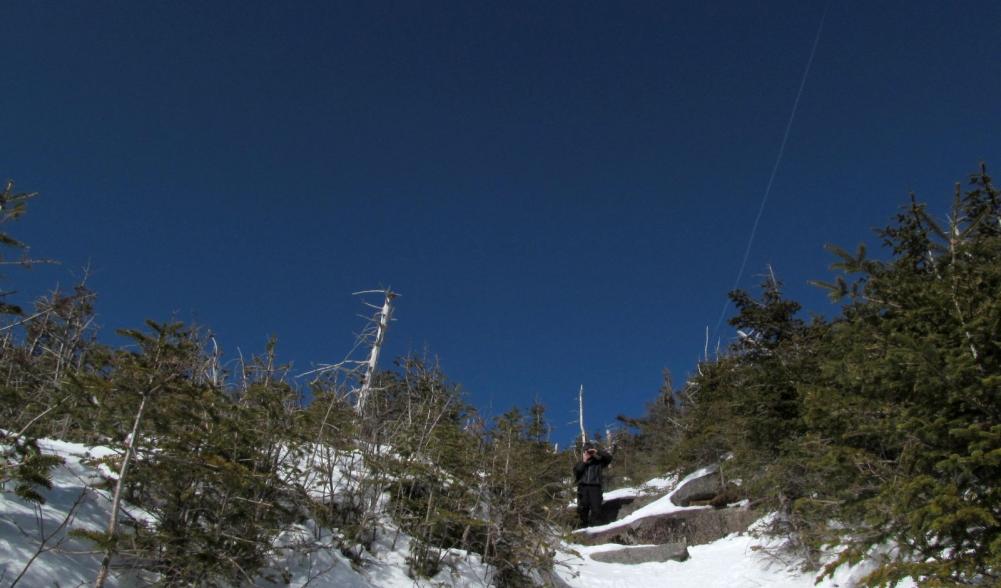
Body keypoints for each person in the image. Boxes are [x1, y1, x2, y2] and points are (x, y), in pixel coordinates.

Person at [573, 441, 612, 528]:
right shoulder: (579, 463)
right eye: (586, 451)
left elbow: (609, 458)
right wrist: (584, 461)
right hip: (583, 488)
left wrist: (597, 451)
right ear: (583, 452)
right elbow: (577, 472)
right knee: (582, 510)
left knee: (596, 509)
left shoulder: (599, 462)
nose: (588, 453)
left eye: (589, 451)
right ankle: (582, 530)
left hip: (595, 488)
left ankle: (596, 530)